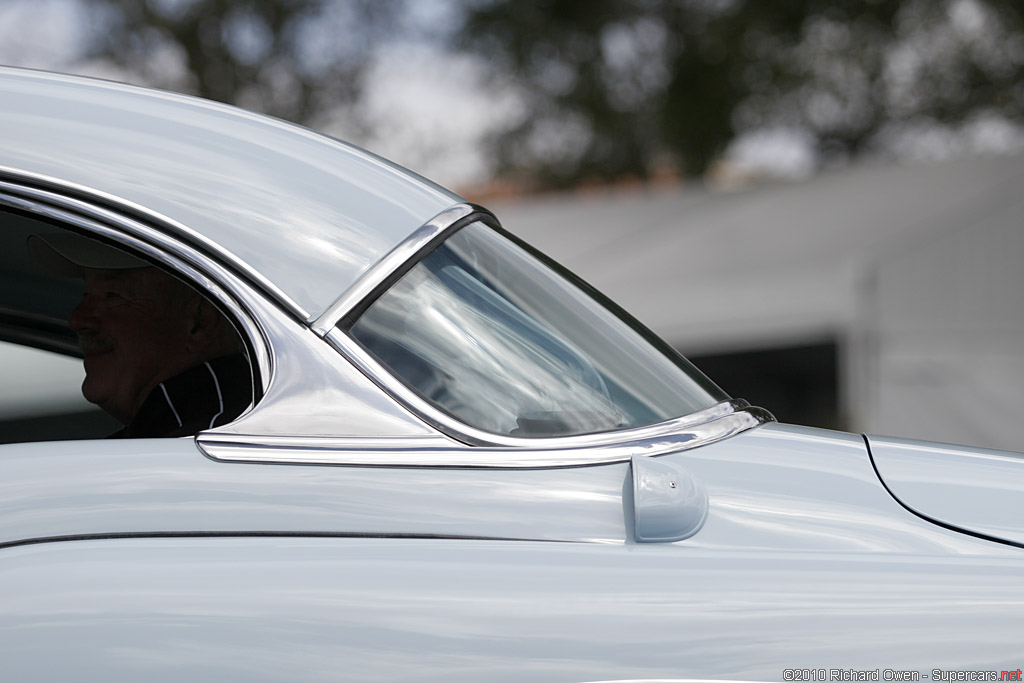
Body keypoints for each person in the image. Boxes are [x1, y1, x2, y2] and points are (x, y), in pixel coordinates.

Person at [28, 233, 252, 438]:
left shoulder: (204, 440)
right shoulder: (204, 431)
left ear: (200, 320)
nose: (77, 320)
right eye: (86, 293)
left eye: (113, 296)